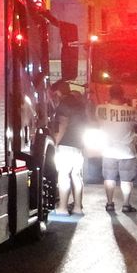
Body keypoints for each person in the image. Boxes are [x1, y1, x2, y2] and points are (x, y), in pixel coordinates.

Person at [95, 84, 137, 214]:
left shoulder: (101, 109)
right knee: (126, 180)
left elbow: (97, 121)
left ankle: (110, 204)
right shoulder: (132, 110)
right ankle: (126, 205)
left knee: (109, 178)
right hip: (127, 151)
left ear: (109, 94)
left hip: (108, 150)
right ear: (123, 95)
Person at [50, 80, 88, 214]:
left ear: (58, 92)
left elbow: (63, 125)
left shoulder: (64, 104)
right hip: (78, 144)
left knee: (63, 175)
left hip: (65, 144)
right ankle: (78, 207)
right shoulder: (79, 104)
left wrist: (55, 143)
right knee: (77, 175)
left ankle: (63, 208)